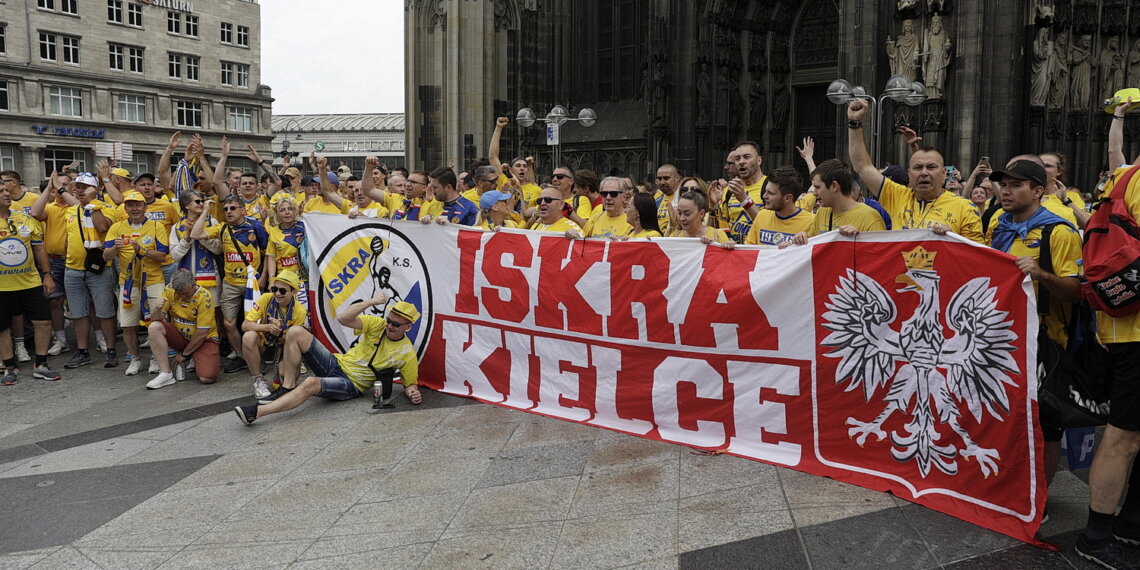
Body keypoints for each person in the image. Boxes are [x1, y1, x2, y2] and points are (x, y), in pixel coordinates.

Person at [985, 160, 1081, 518]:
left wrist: (1040, 273)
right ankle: (1007, 488)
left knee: (1045, 425)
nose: (1005, 191)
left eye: (1015, 185)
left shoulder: (1059, 232)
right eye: (1003, 185)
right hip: (1001, 340)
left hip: (1047, 344)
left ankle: (1036, 498)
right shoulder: (998, 225)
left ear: (1038, 190)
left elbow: (1078, 291)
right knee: (1006, 419)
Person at [235, 294, 422, 424]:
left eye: (395, 324)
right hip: (336, 363)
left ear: (408, 327)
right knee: (295, 332)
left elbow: (410, 384)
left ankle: (258, 413)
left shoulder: (406, 352)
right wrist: (372, 301)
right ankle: (288, 387)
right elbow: (343, 318)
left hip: (351, 384)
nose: (389, 326)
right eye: (389, 320)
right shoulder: (378, 324)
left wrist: (413, 394)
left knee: (310, 383)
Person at [846, 98, 984, 243]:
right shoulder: (896, 196)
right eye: (918, 168)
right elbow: (862, 166)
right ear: (909, 175)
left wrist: (954, 239)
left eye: (931, 167)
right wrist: (854, 123)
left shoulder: (966, 208)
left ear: (944, 174)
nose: (924, 172)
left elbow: (978, 258)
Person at [192, 195, 268, 370]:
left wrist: (263, 277)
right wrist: (205, 211)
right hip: (230, 284)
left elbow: (267, 253)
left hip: (252, 284)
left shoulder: (255, 226)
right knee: (228, 323)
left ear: (243, 210)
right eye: (226, 209)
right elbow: (195, 234)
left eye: (233, 208)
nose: (228, 212)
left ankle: (258, 357)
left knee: (255, 323)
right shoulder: (221, 228)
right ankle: (243, 357)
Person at [104, 191, 169, 376]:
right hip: (128, 282)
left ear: (145, 207)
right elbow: (105, 256)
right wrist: (115, 247)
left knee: (156, 322)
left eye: (138, 205)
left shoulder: (157, 226)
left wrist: (143, 251)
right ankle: (135, 358)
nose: (134, 209)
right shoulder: (117, 227)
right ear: (125, 208)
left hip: (153, 280)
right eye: (130, 205)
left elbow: (163, 256)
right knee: (127, 324)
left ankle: (156, 358)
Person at [0, 179, 59, 384]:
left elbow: (38, 247)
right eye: (1, 192)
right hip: (2, 287)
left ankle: (40, 364)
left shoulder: (24, 219)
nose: (6, 194)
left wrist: (47, 274)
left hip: (30, 282)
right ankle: (9, 367)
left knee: (43, 321)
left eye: (7, 190)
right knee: (3, 328)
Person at [61, 172, 120, 368]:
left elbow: (102, 227)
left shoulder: (106, 207)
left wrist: (93, 202)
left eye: (84, 187)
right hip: (73, 268)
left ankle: (111, 350)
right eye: (76, 186)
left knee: (104, 311)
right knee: (78, 313)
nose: (79, 190)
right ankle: (82, 351)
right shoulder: (71, 211)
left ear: (95, 189)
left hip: (99, 269)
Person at [145, 269, 220, 389]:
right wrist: (157, 308)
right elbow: (155, 319)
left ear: (193, 284)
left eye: (185, 293)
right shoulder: (169, 290)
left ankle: (194, 356)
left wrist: (184, 355)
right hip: (180, 336)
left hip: (204, 340)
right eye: (179, 293)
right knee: (154, 327)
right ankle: (165, 373)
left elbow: (202, 333)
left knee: (207, 378)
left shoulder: (205, 297)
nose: (182, 296)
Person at [241, 270, 307, 401]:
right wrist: (267, 328)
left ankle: (280, 373)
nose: (277, 293)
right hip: (264, 343)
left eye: (282, 291)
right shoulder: (266, 298)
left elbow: (292, 342)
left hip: (283, 348)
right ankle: (258, 380)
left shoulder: (299, 311)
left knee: (287, 376)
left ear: (293, 292)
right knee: (248, 337)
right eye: (274, 288)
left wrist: (279, 332)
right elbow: (245, 325)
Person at [791, 159, 887, 245]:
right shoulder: (822, 212)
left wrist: (859, 240)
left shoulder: (871, 218)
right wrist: (802, 239)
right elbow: (813, 246)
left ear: (834, 186)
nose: (814, 194)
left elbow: (880, 259)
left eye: (817, 187)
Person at [744, 166, 815, 246]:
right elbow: (747, 250)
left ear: (787, 198)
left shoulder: (812, 222)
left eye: (770, 193)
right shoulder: (762, 215)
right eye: (765, 191)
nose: (764, 196)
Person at [721, 142, 769, 243]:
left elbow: (769, 227)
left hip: (759, 253)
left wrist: (744, 200)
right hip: (736, 253)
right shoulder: (728, 191)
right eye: (737, 159)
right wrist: (713, 205)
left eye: (747, 157)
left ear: (759, 160)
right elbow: (722, 228)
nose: (741, 162)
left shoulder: (770, 187)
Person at [669, 190, 733, 246]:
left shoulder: (718, 235)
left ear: (701, 213)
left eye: (687, 214)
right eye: (679, 213)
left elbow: (728, 258)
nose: (682, 218)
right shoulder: (674, 237)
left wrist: (717, 245)